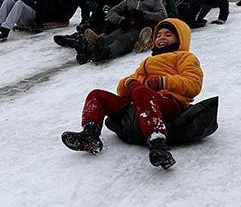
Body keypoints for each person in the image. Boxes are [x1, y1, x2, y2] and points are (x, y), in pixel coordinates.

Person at [61, 18, 203, 170]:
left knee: (141, 92)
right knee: (97, 94)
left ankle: (157, 143)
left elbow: (193, 84)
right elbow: (126, 85)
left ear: (181, 38)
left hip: (169, 103)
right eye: (159, 35)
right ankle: (90, 134)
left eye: (168, 35)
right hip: (141, 102)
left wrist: (163, 82)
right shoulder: (148, 62)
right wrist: (128, 84)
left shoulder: (185, 57)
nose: (162, 38)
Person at [76, 0, 166, 63]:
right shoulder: (129, 0)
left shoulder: (155, 0)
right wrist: (121, 20)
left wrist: (143, 14)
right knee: (112, 36)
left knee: (123, 39)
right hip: (127, 25)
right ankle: (91, 49)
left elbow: (163, 15)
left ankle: (106, 52)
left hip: (141, 28)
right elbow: (112, 11)